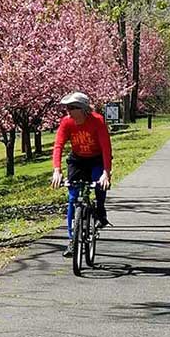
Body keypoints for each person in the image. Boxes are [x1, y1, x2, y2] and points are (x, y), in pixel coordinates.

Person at [50, 92, 112, 258]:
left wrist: (106, 172)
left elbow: (106, 148)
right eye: (67, 108)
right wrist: (57, 170)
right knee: (72, 197)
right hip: (77, 160)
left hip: (96, 159)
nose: (68, 111)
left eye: (72, 108)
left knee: (99, 183)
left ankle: (100, 211)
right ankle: (72, 240)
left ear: (83, 109)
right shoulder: (66, 122)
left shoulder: (97, 121)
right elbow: (58, 146)